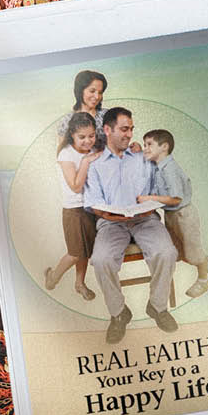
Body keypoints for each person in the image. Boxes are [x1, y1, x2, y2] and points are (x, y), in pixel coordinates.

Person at [83, 107, 178, 344]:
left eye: (131, 129)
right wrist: (110, 215)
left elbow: (159, 190)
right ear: (107, 130)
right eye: (124, 129)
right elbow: (94, 203)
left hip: (145, 219)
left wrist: (151, 203)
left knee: (167, 252)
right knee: (102, 259)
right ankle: (119, 313)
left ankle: (157, 307)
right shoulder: (95, 165)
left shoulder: (143, 157)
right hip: (111, 223)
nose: (129, 134)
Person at [137, 128, 208, 298]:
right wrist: (138, 150)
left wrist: (150, 198)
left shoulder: (170, 169)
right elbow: (145, 164)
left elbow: (176, 199)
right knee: (181, 251)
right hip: (171, 216)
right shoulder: (158, 166)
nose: (145, 148)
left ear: (164, 147)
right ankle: (203, 260)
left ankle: (203, 280)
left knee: (192, 251)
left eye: (149, 145)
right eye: (144, 144)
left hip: (183, 215)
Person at [45, 112, 100, 300]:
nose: (88, 141)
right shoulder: (66, 153)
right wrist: (85, 162)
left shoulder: (93, 151)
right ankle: (53, 275)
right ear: (72, 136)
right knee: (76, 253)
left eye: (91, 136)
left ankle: (79, 284)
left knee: (85, 251)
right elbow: (76, 187)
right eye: (82, 137)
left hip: (92, 208)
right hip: (74, 210)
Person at [55, 70, 107, 149]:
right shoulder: (66, 121)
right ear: (80, 91)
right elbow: (63, 155)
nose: (97, 96)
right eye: (92, 91)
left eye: (100, 92)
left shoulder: (107, 115)